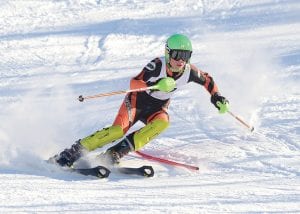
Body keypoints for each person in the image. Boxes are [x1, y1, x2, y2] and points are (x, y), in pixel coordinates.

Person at [52, 34, 229, 167]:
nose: (180, 61)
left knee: (163, 122)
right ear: (168, 54)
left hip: (156, 108)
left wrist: (216, 96)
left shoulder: (189, 72)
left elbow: (207, 80)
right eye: (177, 55)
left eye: (185, 56)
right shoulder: (157, 65)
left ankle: (115, 153)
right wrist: (157, 84)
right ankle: (73, 152)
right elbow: (134, 82)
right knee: (116, 131)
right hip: (136, 102)